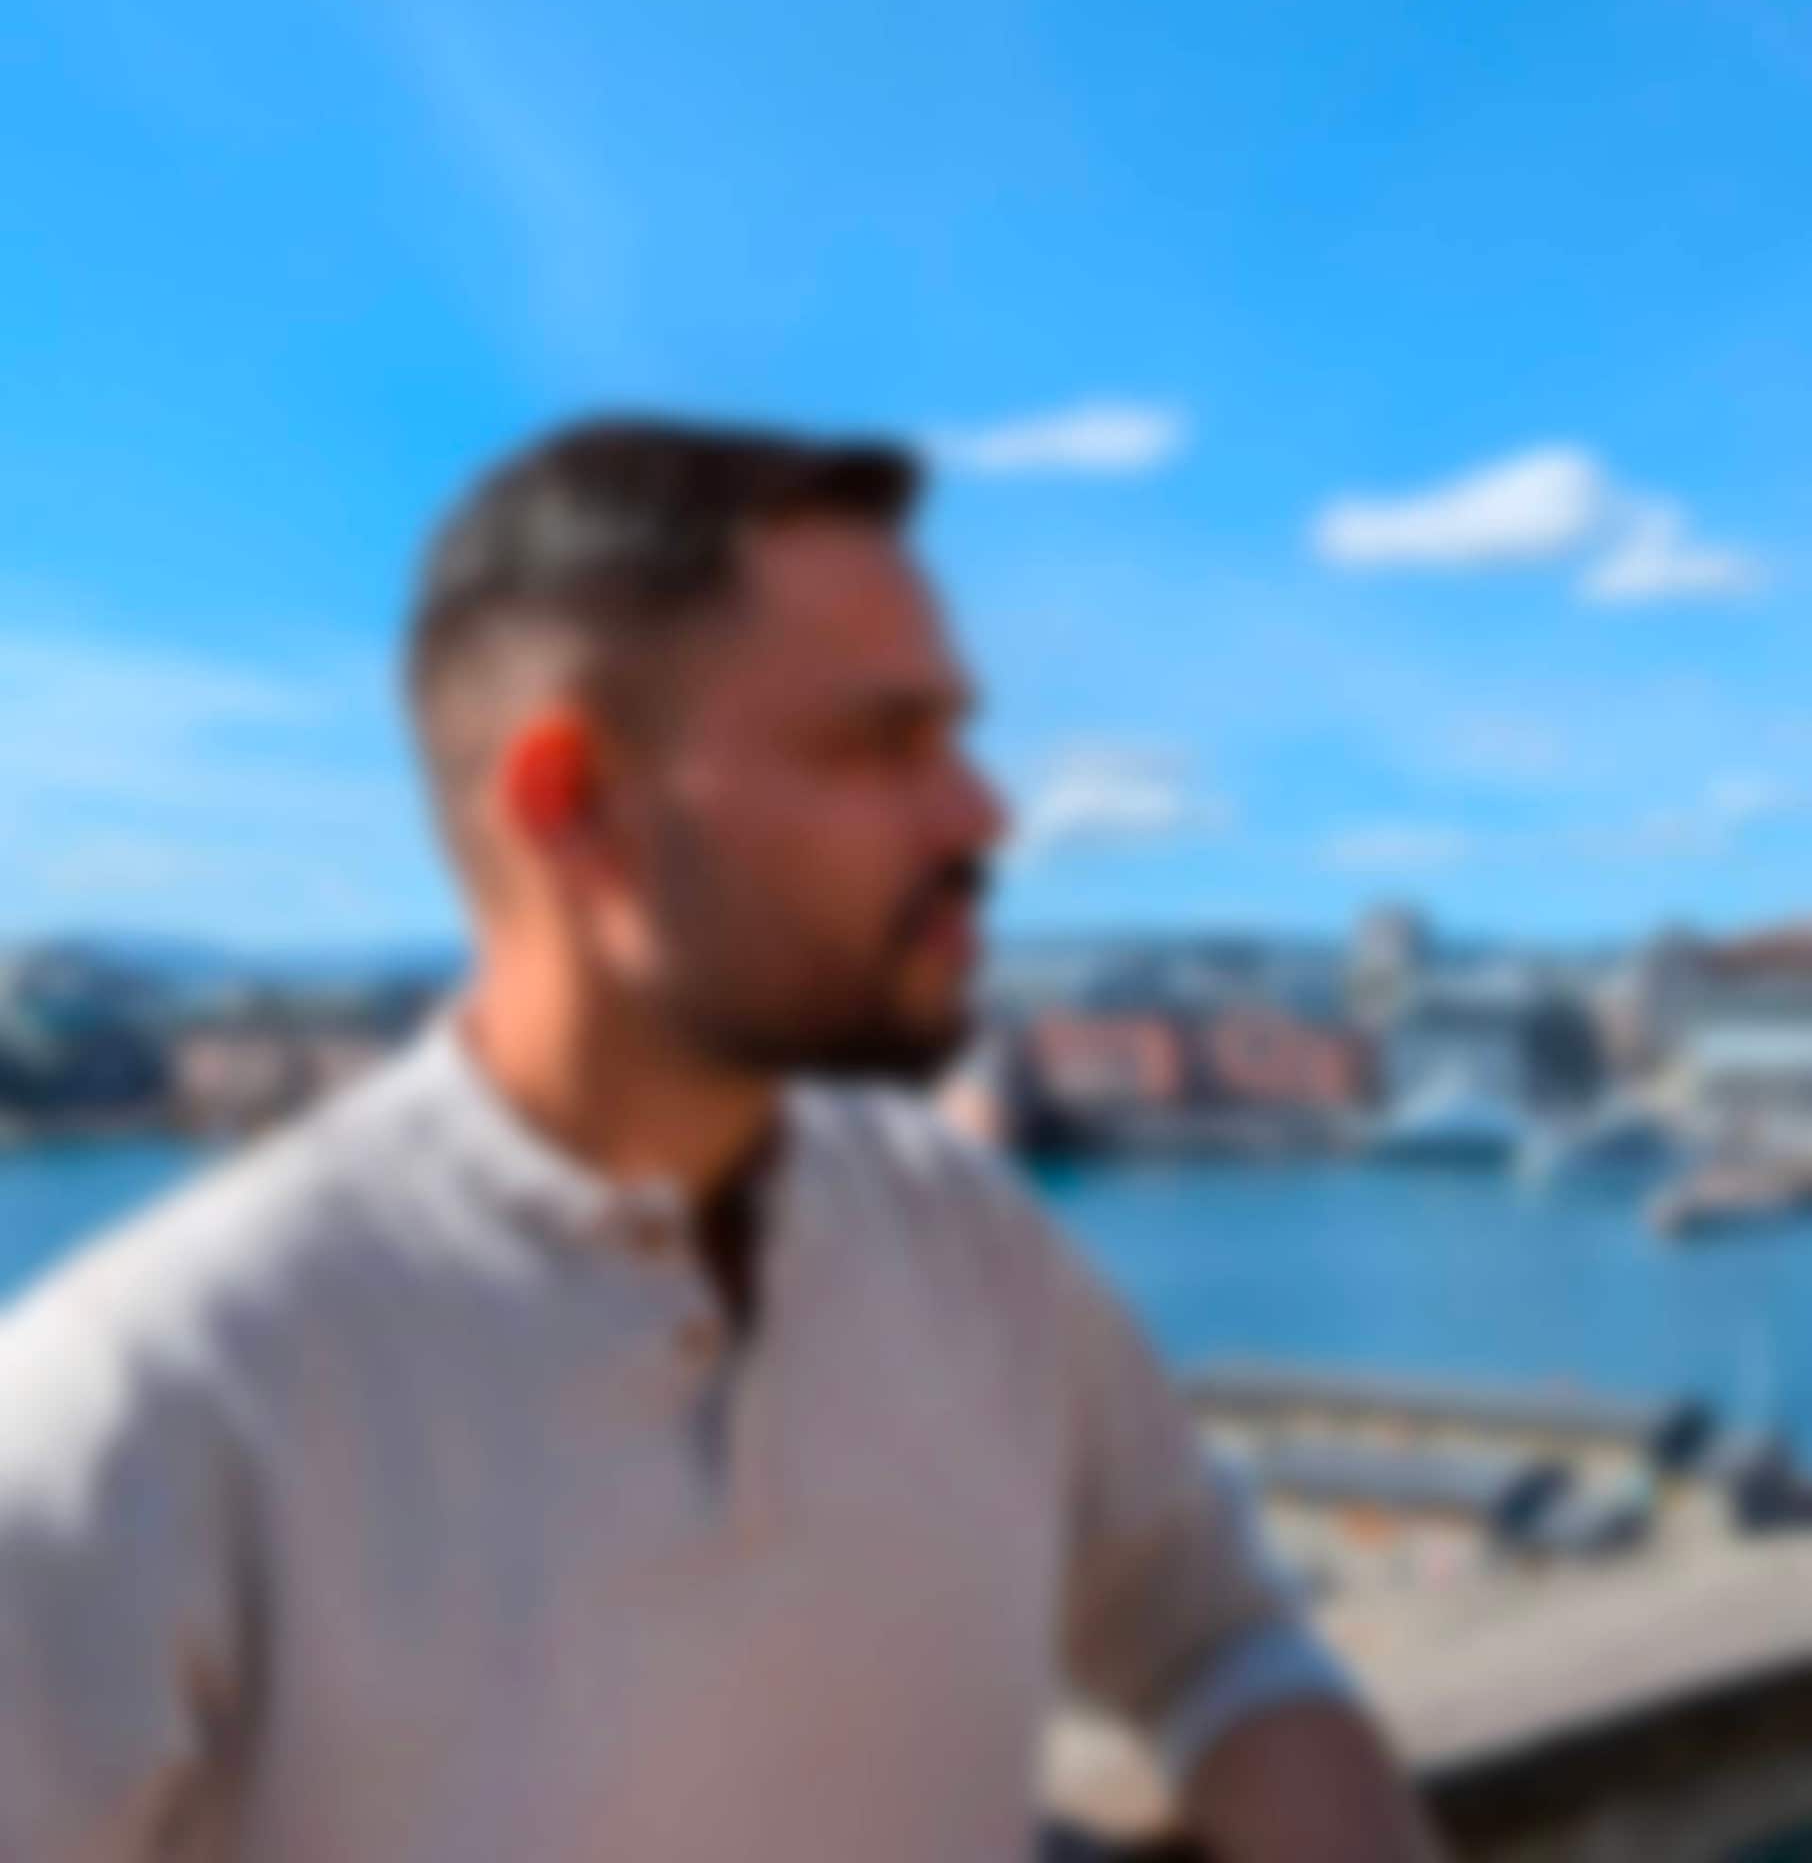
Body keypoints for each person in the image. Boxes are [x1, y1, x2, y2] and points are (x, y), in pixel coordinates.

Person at [0, 418, 1441, 1863]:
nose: (985, 811)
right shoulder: (138, 1410)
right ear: (573, 807)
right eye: (882, 743)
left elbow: (1217, 1636)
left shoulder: (963, 1230)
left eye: (955, 736)